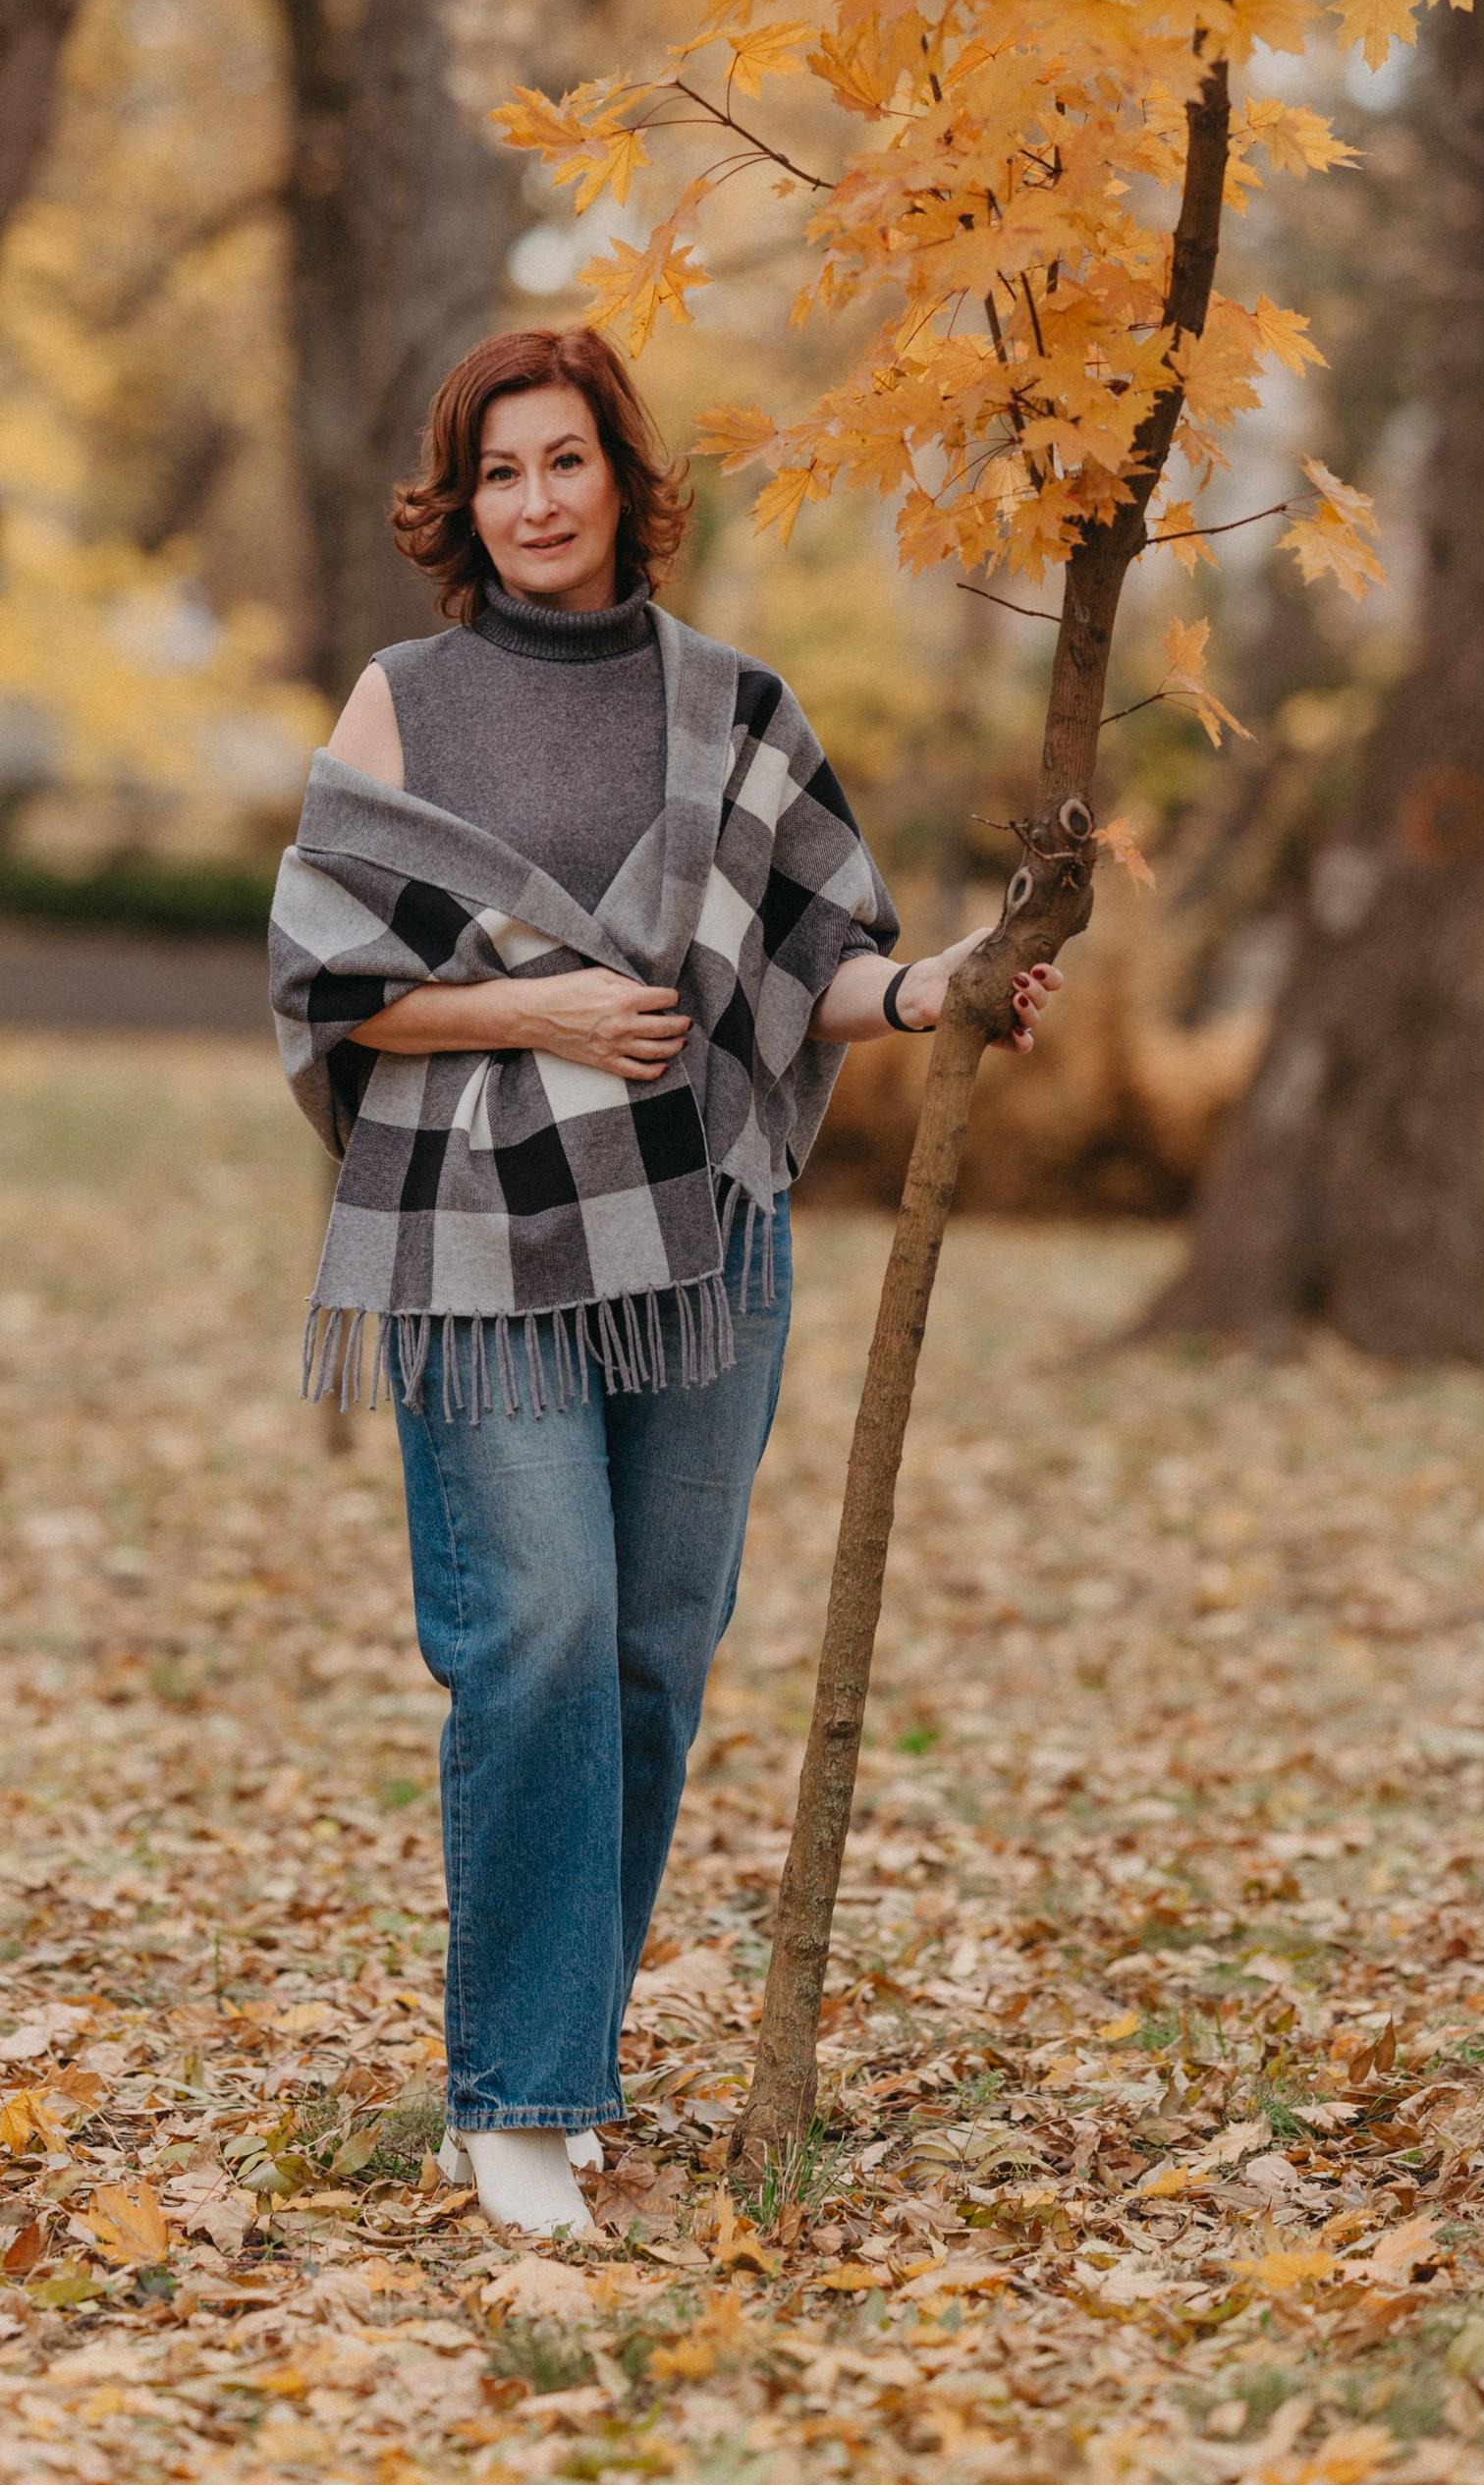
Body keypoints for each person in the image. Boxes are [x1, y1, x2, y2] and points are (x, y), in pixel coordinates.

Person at [270, 327, 1057, 2234]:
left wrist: (944, 986)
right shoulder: (403, 700)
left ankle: (560, 2050)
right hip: (479, 1239)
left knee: (644, 1653)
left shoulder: (733, 706)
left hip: (705, 1241)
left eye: (564, 463)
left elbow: (816, 966)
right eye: (498, 476)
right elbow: (329, 988)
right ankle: (516, 2105)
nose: (534, 503)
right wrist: (539, 1003)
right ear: (459, 508)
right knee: (533, 1627)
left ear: (625, 476)